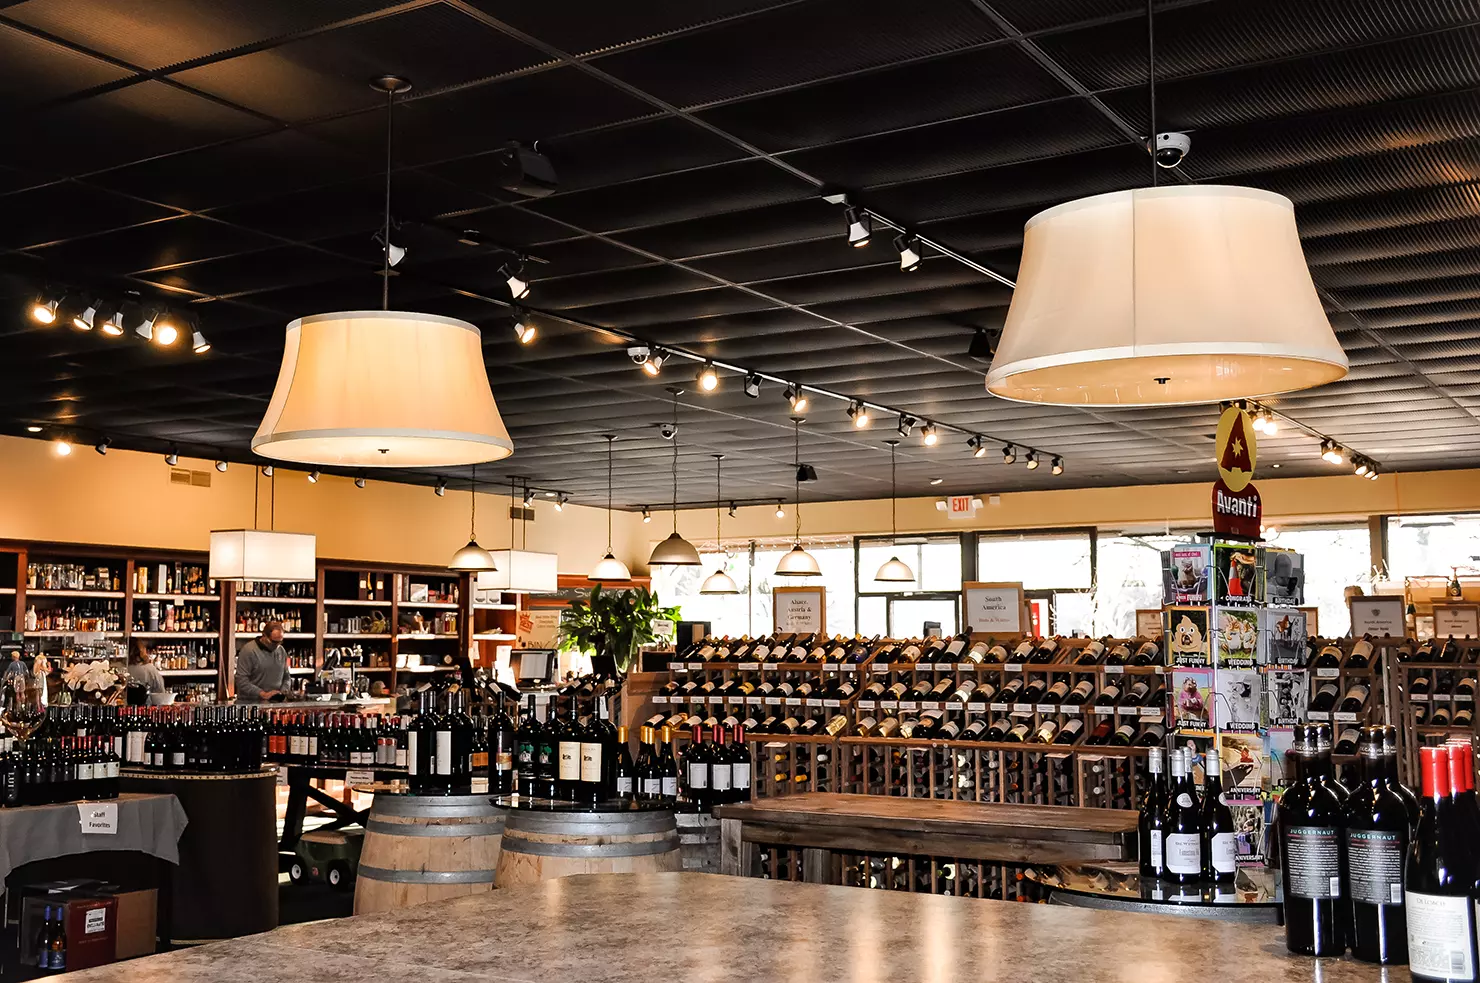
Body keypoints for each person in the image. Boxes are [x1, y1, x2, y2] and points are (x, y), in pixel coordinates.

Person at [235, 620, 291, 702]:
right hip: (251, 703)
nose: (277, 645)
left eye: (280, 642)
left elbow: (286, 676)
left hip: (275, 703)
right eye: (273, 642)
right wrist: (262, 694)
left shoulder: (281, 651)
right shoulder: (249, 650)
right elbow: (241, 680)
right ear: (264, 636)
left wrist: (284, 691)